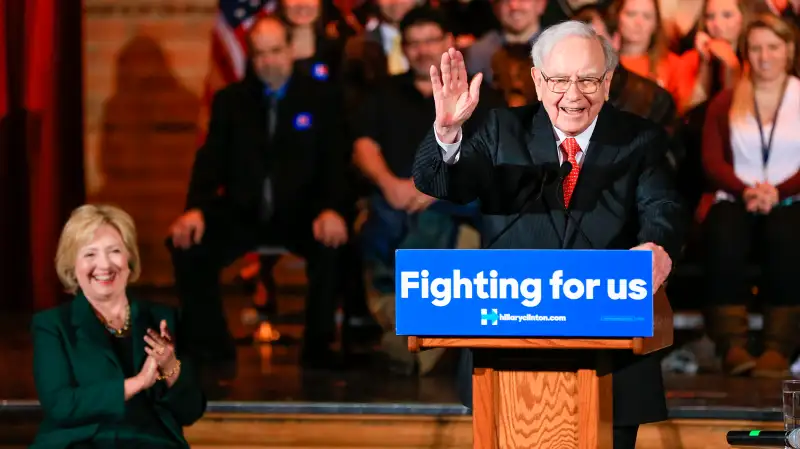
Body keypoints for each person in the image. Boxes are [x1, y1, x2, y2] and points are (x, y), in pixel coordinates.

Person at [412, 21, 685, 449]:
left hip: (609, 357)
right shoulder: (503, 130)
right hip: (507, 352)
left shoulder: (641, 139)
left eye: (588, 79)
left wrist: (657, 246)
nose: (573, 95)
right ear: (537, 81)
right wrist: (446, 133)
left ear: (608, 81)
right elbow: (441, 182)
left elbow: (663, 207)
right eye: (559, 80)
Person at [167, 15, 352, 373]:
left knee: (335, 245)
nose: (269, 61)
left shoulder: (322, 98)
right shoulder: (230, 101)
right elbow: (210, 162)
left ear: (290, 50)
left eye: (275, 51)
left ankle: (319, 348)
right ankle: (212, 348)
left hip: (303, 213)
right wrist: (195, 209)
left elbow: (336, 163)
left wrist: (332, 209)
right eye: (260, 54)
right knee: (186, 244)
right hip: (243, 212)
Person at [31, 204, 206, 449]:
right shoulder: (52, 326)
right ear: (73, 266)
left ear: (129, 259)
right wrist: (138, 383)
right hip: (78, 444)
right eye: (90, 254)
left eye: (114, 251)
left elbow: (191, 411)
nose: (104, 265)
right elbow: (61, 406)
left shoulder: (162, 319)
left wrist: (170, 366)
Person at [700, 14, 800, 378]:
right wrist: (748, 191)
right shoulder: (726, 102)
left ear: (788, 50)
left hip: (791, 199)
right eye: (755, 48)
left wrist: (779, 192)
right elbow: (711, 160)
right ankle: (732, 345)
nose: (764, 56)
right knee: (723, 234)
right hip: (737, 198)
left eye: (773, 47)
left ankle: (779, 345)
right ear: (746, 53)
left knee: (788, 236)